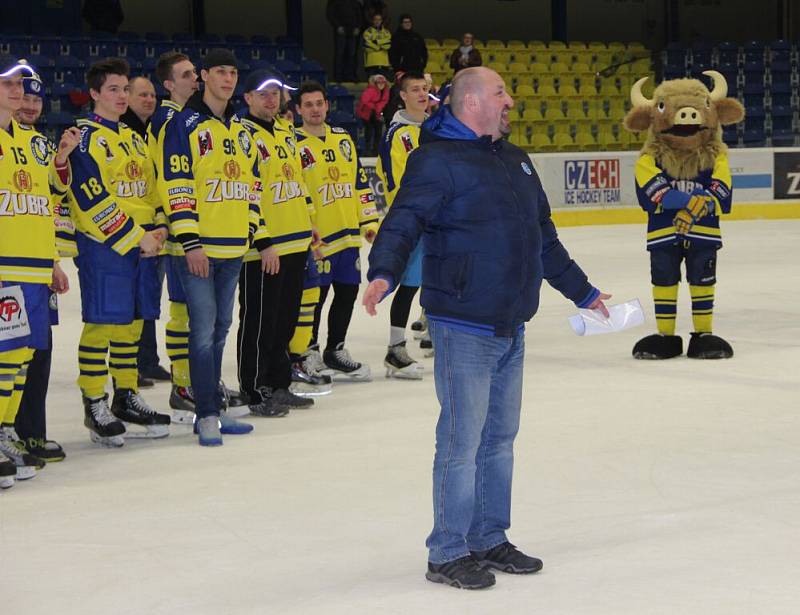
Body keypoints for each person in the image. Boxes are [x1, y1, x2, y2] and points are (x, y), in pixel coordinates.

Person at [363, 67, 610, 589]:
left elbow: (544, 239)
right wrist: (384, 271)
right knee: (461, 440)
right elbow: (403, 220)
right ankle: (447, 551)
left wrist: (583, 292)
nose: (511, 101)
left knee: (499, 439)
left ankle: (488, 537)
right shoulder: (436, 160)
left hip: (511, 322)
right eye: (501, 92)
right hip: (463, 323)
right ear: (471, 100)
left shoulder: (515, 161)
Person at [160, 49, 273, 445]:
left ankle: (216, 406)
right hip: (198, 251)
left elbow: (254, 187)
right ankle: (205, 412)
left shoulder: (241, 130)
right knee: (203, 332)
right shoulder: (183, 123)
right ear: (204, 76)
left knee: (222, 328)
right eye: (220, 71)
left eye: (233, 71)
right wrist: (190, 242)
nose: (228, 78)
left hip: (233, 250)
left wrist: (250, 230)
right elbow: (177, 186)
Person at [67, 58, 171, 447]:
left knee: (132, 325)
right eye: (113, 89)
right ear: (94, 93)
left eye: (125, 89)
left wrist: (160, 225)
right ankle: (94, 401)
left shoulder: (133, 137)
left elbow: (153, 188)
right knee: (102, 325)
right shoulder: (84, 137)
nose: (122, 96)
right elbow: (89, 198)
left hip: (145, 244)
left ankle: (126, 395)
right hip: (105, 246)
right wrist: (134, 236)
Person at [0, 58, 76, 487]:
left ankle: (7, 429)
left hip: (33, 264)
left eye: (23, 87)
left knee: (21, 356)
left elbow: (52, 196)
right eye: (9, 84)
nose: (20, 92)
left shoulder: (32, 142)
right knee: (3, 356)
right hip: (6, 262)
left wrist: (50, 259)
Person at [235, 69, 317, 415]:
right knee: (259, 321)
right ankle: (254, 389)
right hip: (265, 247)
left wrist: (310, 223)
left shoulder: (286, 132)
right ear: (248, 98)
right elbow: (245, 193)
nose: (272, 100)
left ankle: (279, 383)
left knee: (284, 319)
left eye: (277, 94)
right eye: (265, 94)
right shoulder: (241, 134)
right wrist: (263, 239)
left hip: (296, 241)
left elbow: (296, 180)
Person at [290, 81, 379, 382]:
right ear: (298, 109)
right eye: (308, 105)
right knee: (316, 295)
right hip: (317, 239)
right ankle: (308, 350)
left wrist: (368, 222)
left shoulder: (343, 139)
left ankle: (336, 350)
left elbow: (359, 184)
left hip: (348, 236)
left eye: (319, 103)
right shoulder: (293, 144)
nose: (315, 109)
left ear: (327, 105)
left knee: (347, 292)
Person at [149, 51, 200, 423]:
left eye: (194, 73)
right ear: (168, 84)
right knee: (183, 310)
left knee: (192, 311)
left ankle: (192, 382)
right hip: (180, 229)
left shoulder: (183, 117)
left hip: (184, 225)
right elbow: (171, 178)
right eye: (185, 75)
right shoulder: (171, 119)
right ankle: (182, 386)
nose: (193, 79)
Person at [376, 71, 429, 379]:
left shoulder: (433, 128)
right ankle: (395, 349)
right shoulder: (398, 134)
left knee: (433, 282)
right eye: (415, 89)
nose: (422, 93)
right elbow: (397, 183)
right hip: (412, 221)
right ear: (403, 96)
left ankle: (435, 335)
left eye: (425, 88)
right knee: (408, 285)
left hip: (438, 220)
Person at [119, 75, 170, 386]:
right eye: (142, 95)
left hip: (154, 227)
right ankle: (128, 364)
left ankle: (146, 359)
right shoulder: (120, 131)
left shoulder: (155, 130)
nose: (149, 100)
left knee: (148, 298)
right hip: (126, 232)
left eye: (153, 95)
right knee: (128, 303)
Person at [326, 0, 362, 82]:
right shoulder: (334, 2)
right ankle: (338, 76)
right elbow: (330, 13)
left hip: (353, 31)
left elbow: (359, 14)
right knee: (340, 54)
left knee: (352, 55)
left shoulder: (355, 2)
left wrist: (358, 27)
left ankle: (351, 76)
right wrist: (337, 26)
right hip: (340, 31)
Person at [356, 73, 389, 155]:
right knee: (368, 132)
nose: (381, 85)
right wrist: (375, 106)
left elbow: (384, 101)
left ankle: (376, 150)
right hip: (367, 113)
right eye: (379, 83)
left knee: (378, 132)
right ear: (375, 83)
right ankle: (367, 150)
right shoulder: (370, 90)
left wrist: (378, 107)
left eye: (383, 83)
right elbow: (364, 101)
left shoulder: (386, 91)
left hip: (377, 113)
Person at [362, 13, 392, 78]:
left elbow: (388, 45)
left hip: (383, 63)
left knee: (383, 86)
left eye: (379, 19)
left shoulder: (386, 32)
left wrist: (376, 41)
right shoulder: (367, 32)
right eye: (375, 19)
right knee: (372, 86)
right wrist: (380, 45)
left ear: (382, 21)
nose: (377, 21)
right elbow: (367, 46)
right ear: (372, 21)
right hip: (371, 63)